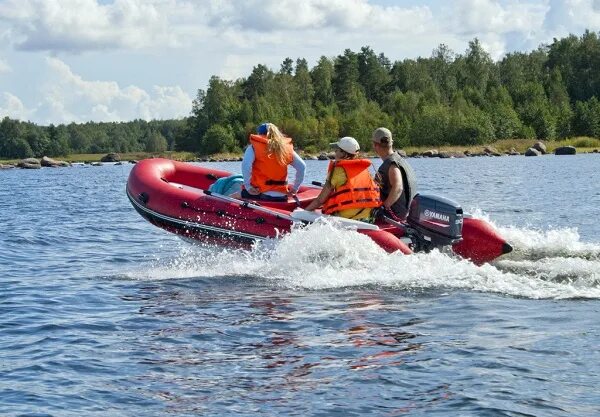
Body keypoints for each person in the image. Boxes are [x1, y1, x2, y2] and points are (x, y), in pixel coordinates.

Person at [304, 137, 381, 221]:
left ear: (344, 153)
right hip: (367, 218)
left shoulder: (337, 171)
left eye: (337, 149)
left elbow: (320, 200)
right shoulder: (364, 169)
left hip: (347, 219)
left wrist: (304, 212)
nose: (335, 152)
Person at [242, 122, 306, 202]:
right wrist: (295, 189)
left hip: (261, 193)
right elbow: (302, 167)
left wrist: (248, 187)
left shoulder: (254, 147)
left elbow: (245, 166)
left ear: (259, 134)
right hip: (282, 196)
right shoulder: (285, 148)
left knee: (235, 195)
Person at [371, 127, 417, 219]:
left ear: (376, 146)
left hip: (394, 215)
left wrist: (384, 207)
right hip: (406, 213)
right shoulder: (400, 160)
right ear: (391, 143)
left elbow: (398, 187)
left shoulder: (392, 164)